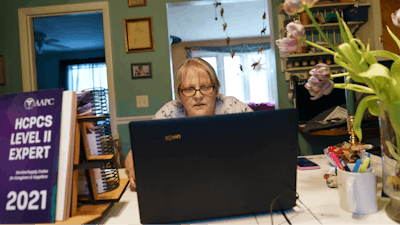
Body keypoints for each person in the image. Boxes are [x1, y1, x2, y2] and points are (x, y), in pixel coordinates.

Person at [126, 57, 253, 189]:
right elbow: (135, 152)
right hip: (184, 186)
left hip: (232, 183)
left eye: (205, 87)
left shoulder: (233, 107)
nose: (198, 96)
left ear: (216, 90)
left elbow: (262, 137)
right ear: (179, 95)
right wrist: (134, 170)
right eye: (189, 89)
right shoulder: (170, 112)